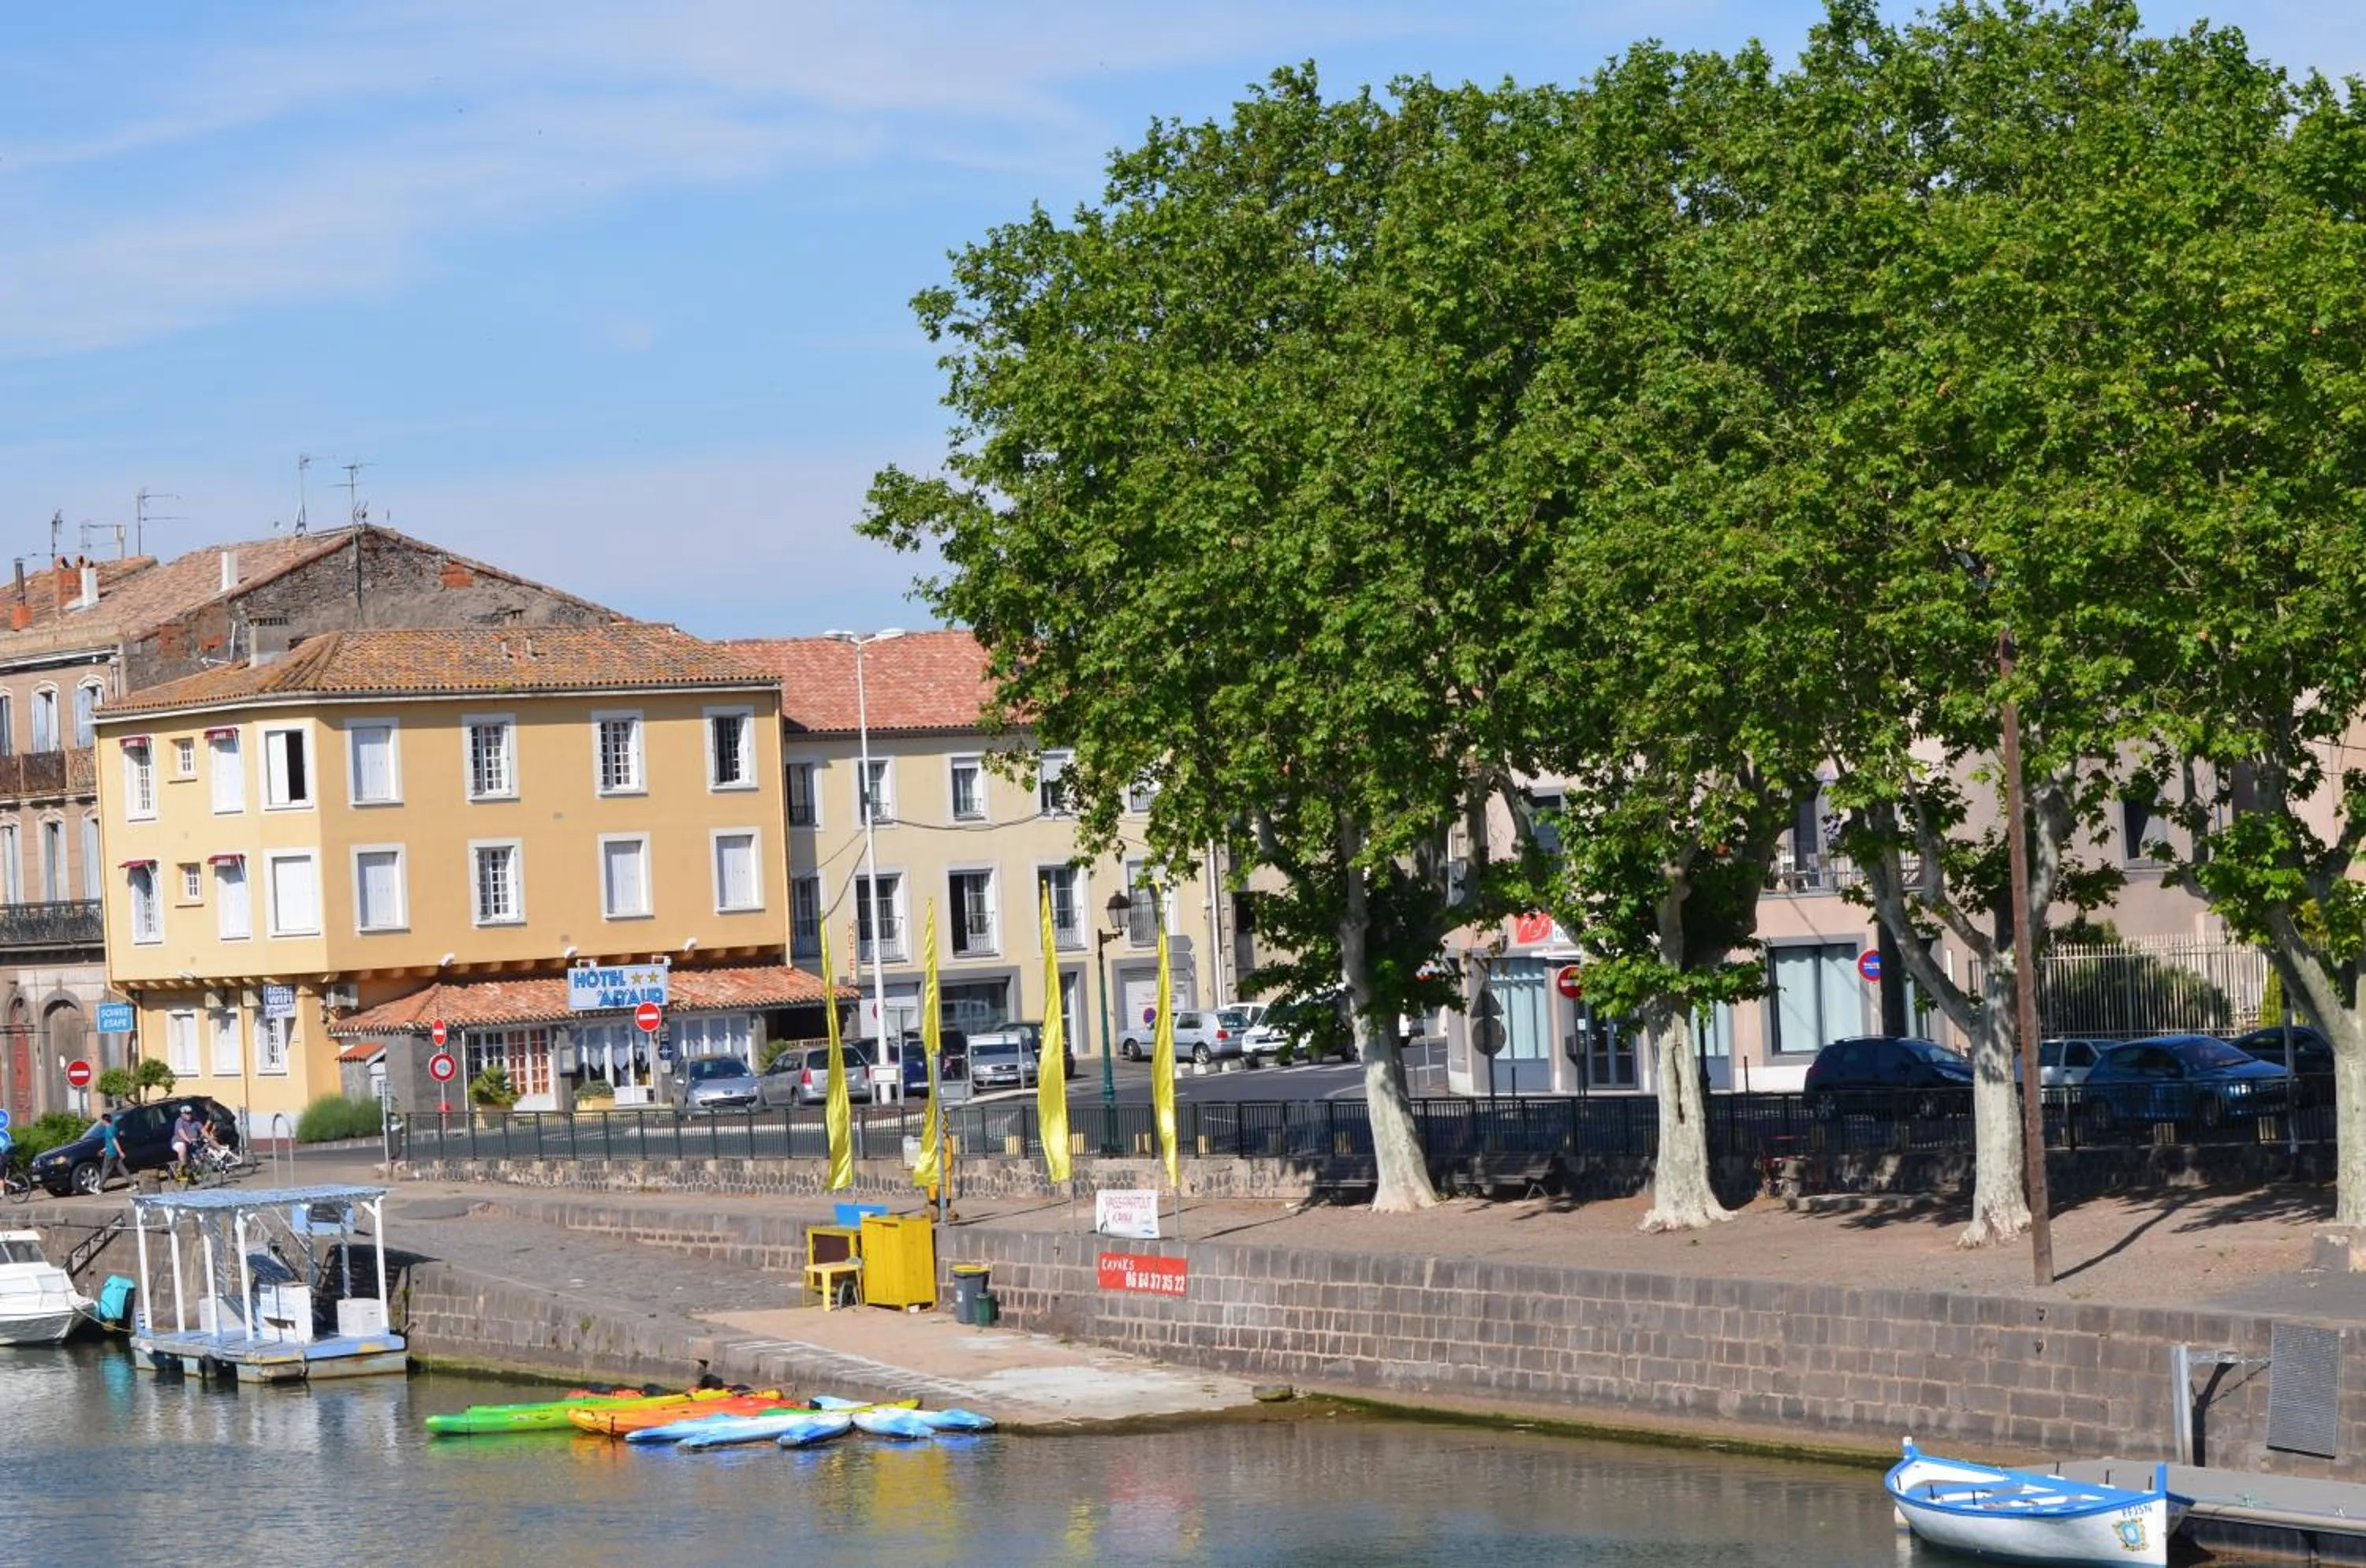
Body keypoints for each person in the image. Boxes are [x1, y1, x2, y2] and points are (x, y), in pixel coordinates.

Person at [96, 1112, 129, 1192]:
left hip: (111, 1154)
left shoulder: (108, 1130)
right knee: (122, 1169)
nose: (101, 1122)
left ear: (105, 1121)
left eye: (101, 1120)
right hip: (114, 1153)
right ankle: (133, 1184)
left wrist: (121, 1152)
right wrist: (103, 1150)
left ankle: (99, 1188)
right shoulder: (114, 1127)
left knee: (105, 1171)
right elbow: (113, 1140)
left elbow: (114, 1141)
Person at [170, 1104, 203, 1181]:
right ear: (182, 1114)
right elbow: (181, 1132)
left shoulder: (196, 1121)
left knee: (199, 1160)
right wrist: (187, 1140)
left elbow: (203, 1130)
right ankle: (181, 1171)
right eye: (187, 1113)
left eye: (190, 1113)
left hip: (191, 1143)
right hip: (178, 1142)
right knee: (183, 1147)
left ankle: (195, 1176)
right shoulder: (179, 1121)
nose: (189, 1115)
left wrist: (208, 1137)